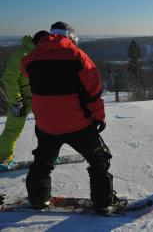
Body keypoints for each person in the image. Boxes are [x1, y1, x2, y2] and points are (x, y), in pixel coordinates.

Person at [21, 21, 119, 213]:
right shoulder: (76, 55)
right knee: (99, 161)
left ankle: (38, 198)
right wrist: (99, 117)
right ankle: (103, 201)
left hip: (46, 125)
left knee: (42, 162)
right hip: (78, 124)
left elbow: (26, 72)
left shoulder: (30, 58)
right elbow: (94, 91)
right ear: (71, 37)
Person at [0, 31, 49, 170]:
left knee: (48, 128)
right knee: (13, 129)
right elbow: (9, 78)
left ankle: (48, 154)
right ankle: (1, 158)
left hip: (37, 97)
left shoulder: (41, 53)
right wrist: (16, 100)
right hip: (20, 99)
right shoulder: (21, 55)